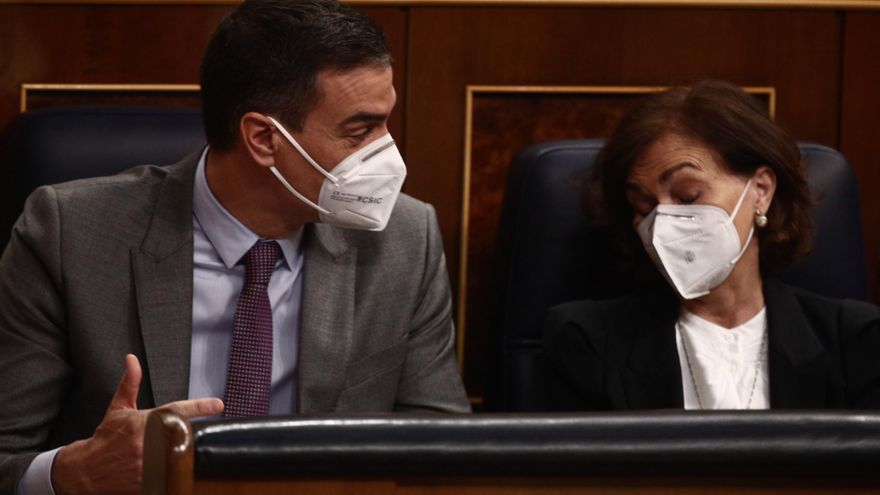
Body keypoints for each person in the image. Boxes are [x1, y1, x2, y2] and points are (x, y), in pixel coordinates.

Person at [0, 1, 469, 493]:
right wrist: (74, 472)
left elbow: (443, 452)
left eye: (385, 124)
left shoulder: (404, 238)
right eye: (360, 131)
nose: (388, 154)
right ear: (264, 138)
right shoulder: (70, 235)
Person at [542, 80, 880, 411]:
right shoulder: (589, 341)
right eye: (644, 208)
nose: (662, 223)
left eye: (688, 196)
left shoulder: (856, 341)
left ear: (760, 190)